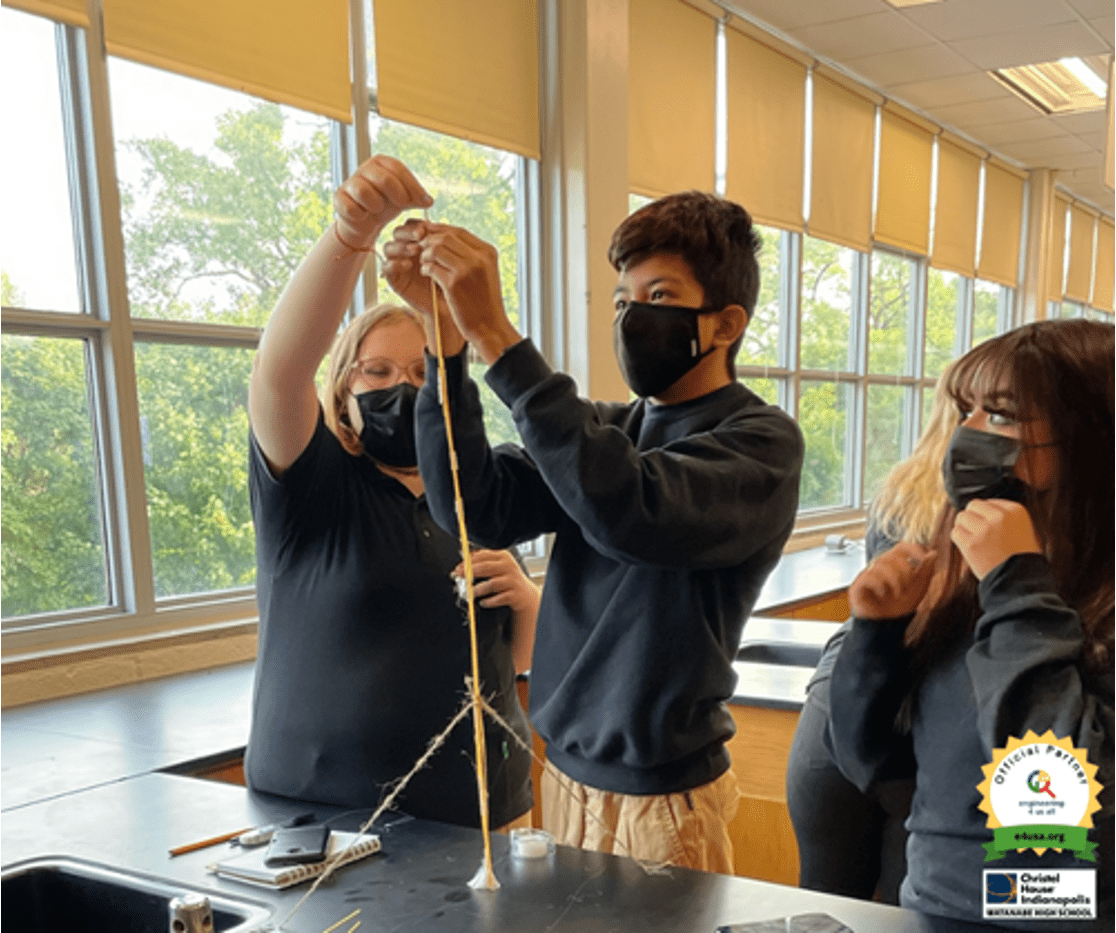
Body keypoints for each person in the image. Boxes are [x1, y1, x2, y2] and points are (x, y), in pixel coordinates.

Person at [379, 191, 804, 873]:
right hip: (566, 779)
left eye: (658, 294)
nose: (632, 316)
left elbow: (629, 511)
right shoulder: (609, 432)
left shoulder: (762, 444)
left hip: (663, 800)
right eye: (620, 299)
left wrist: (498, 339)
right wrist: (445, 347)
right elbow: (473, 505)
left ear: (725, 324)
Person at [244, 154, 536, 829]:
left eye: (419, 369)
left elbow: (519, 661)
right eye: (375, 371)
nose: (400, 388)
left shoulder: (480, 492)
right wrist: (350, 235)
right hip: (322, 823)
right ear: (343, 391)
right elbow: (278, 373)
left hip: (483, 819)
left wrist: (528, 598)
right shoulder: (315, 489)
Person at [826, 319, 1114, 929]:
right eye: (966, 409)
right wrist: (875, 636)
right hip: (933, 904)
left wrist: (1017, 585)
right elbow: (871, 762)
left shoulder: (1032, 590)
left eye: (1001, 416)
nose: (967, 435)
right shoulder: (970, 581)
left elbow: (1056, 802)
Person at [786, 361, 958, 902]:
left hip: (845, 695)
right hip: (924, 717)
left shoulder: (902, 489)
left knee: (824, 901)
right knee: (907, 906)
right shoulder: (1015, 510)